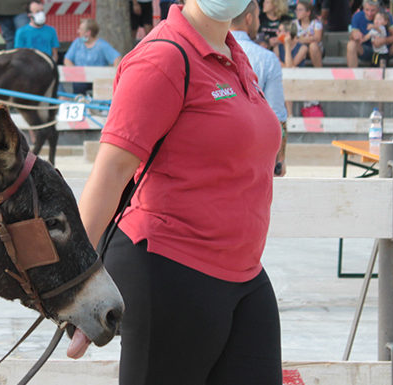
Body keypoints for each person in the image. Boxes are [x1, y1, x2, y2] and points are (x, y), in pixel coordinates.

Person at [71, 0, 282, 382]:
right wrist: (73, 286)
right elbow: (110, 174)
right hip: (169, 270)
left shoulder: (234, 54)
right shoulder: (163, 58)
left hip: (245, 275)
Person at [232, 0, 287, 176]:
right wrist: (280, 161)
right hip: (255, 154)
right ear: (248, 19)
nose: (259, 21)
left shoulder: (207, 50)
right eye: (257, 17)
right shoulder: (267, 59)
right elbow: (278, 116)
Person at [64, 18, 120, 95]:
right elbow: (67, 60)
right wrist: (75, 73)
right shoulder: (77, 43)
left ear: (88, 32)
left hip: (97, 81)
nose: (78, 31)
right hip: (80, 82)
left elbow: (117, 58)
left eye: (80, 29)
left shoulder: (102, 45)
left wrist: (113, 75)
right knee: (78, 85)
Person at [347, 0, 393, 67]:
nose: (369, 13)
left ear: (378, 9)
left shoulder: (386, 16)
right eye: (367, 10)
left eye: (372, 10)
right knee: (351, 45)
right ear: (363, 8)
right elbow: (351, 37)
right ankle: (352, 75)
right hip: (366, 49)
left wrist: (385, 40)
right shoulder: (357, 16)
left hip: (384, 50)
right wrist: (355, 36)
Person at [283, 0, 322, 67]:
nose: (297, 12)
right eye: (297, 10)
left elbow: (317, 38)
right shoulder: (294, 23)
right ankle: (291, 68)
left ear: (308, 12)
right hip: (299, 48)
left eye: (300, 10)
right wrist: (309, 38)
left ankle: (320, 71)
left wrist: (299, 38)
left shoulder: (316, 23)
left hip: (315, 49)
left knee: (313, 46)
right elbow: (293, 39)